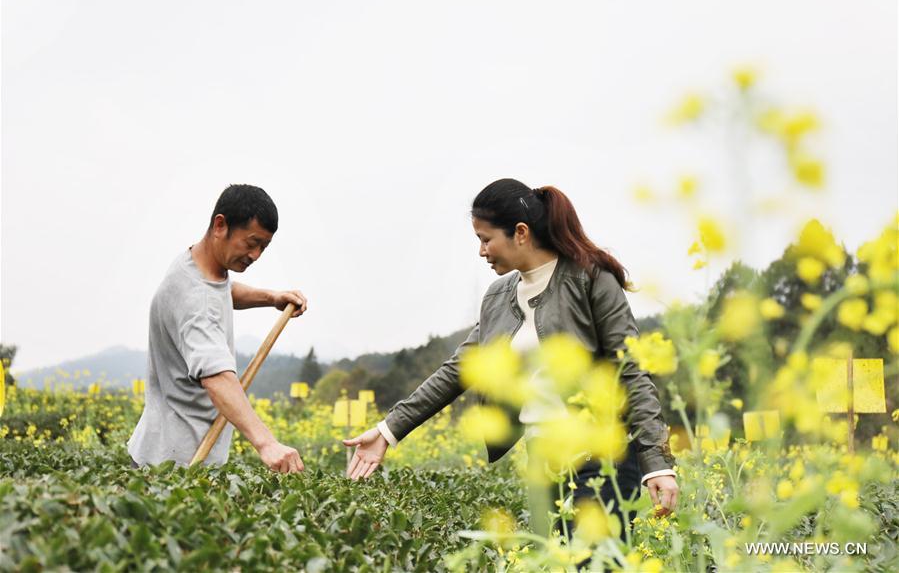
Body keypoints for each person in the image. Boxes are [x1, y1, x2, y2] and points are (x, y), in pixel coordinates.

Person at [343, 178, 678, 534]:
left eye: (486, 239)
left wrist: (657, 463)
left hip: (603, 454)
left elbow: (632, 370)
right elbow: (458, 370)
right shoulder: (499, 296)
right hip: (542, 459)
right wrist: (388, 430)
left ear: (520, 232)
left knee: (593, 561)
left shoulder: (590, 279)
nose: (482, 251)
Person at [128, 184, 308, 474]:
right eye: (251, 243)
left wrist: (271, 298)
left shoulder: (196, 265)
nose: (256, 255)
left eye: (264, 246)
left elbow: (223, 292)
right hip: (174, 467)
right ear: (220, 225)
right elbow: (217, 378)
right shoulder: (196, 303)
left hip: (165, 447)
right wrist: (266, 443)